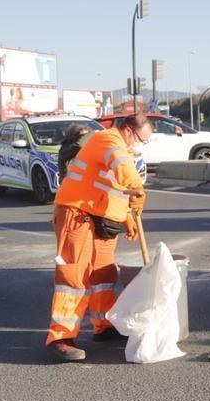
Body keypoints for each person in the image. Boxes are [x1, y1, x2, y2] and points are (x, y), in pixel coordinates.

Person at [45, 113, 153, 362]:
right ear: (128, 130)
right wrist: (138, 188)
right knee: (73, 276)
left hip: (101, 218)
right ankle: (60, 337)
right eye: (141, 139)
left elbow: (112, 186)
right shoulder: (108, 140)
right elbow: (123, 171)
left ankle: (103, 325)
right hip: (77, 212)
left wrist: (126, 216)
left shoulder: (123, 148)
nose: (141, 144)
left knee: (103, 274)